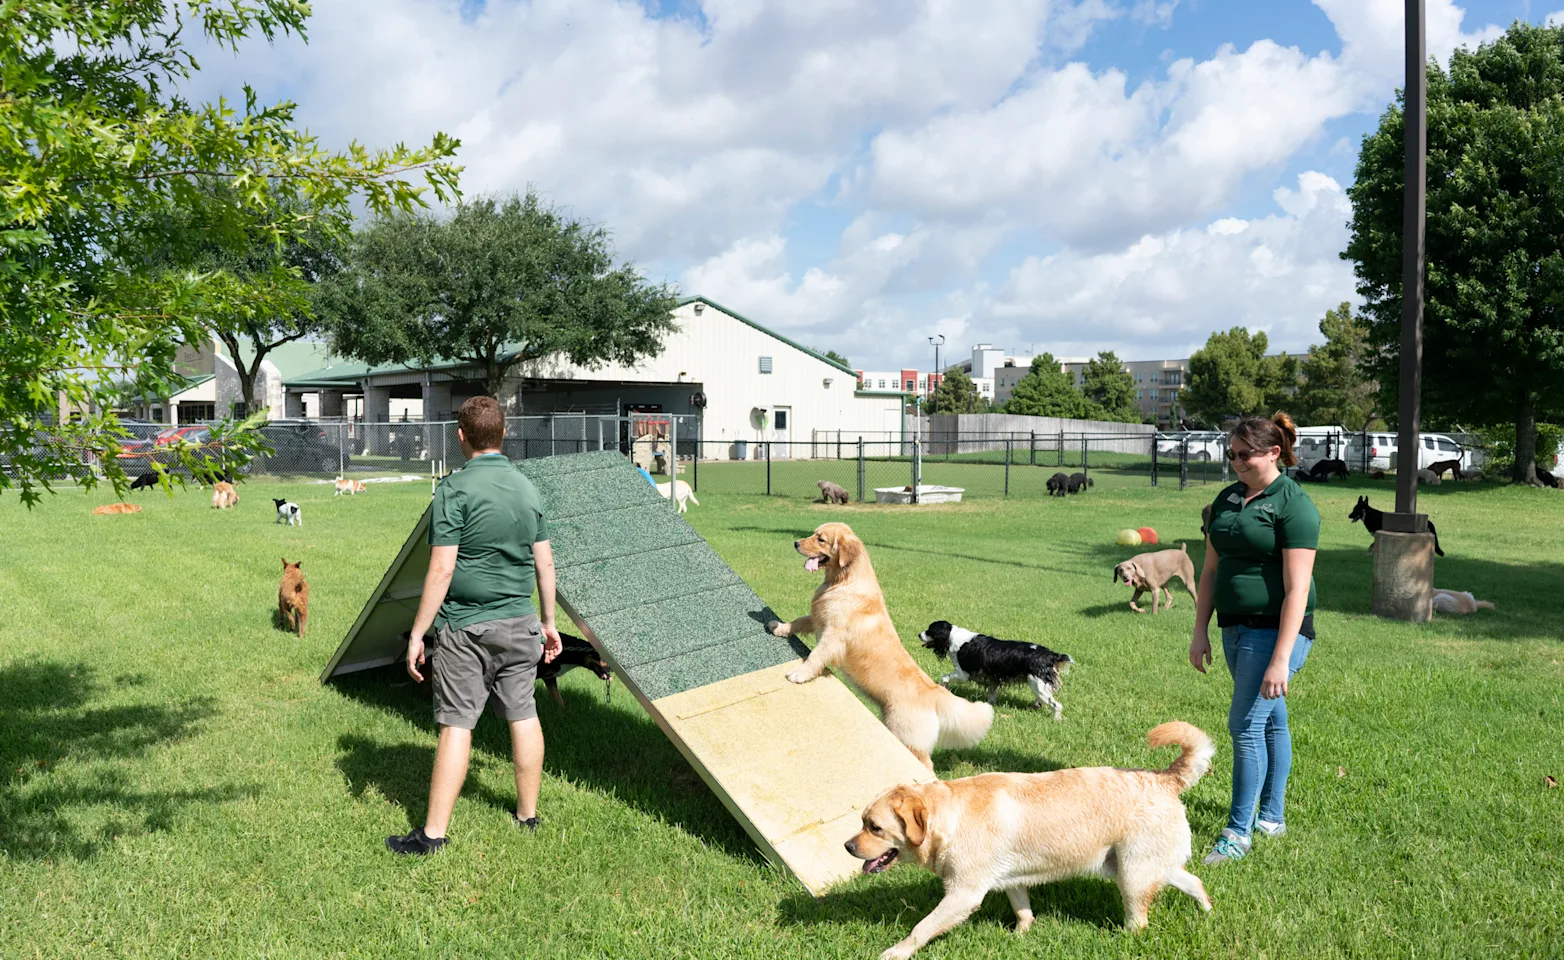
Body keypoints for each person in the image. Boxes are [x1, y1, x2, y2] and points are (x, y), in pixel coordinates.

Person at [386, 395, 561, 855]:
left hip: (466, 629)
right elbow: (545, 566)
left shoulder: (453, 489)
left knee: (457, 725)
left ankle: (432, 835)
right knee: (523, 715)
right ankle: (527, 815)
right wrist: (548, 623)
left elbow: (441, 570)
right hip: (522, 625)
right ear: (503, 435)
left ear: (460, 437)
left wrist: (419, 634)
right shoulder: (528, 488)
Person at [1189, 412, 1319, 865]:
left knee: (1244, 725)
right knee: (1270, 720)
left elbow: (1298, 588)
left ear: (1273, 453)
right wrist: (1199, 630)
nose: (1237, 463)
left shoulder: (1293, 503)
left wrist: (1281, 658)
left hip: (1276, 630)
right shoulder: (1226, 499)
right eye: (1232, 455)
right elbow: (1209, 569)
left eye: (1245, 455)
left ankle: (1238, 832)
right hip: (1234, 626)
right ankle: (1272, 818)